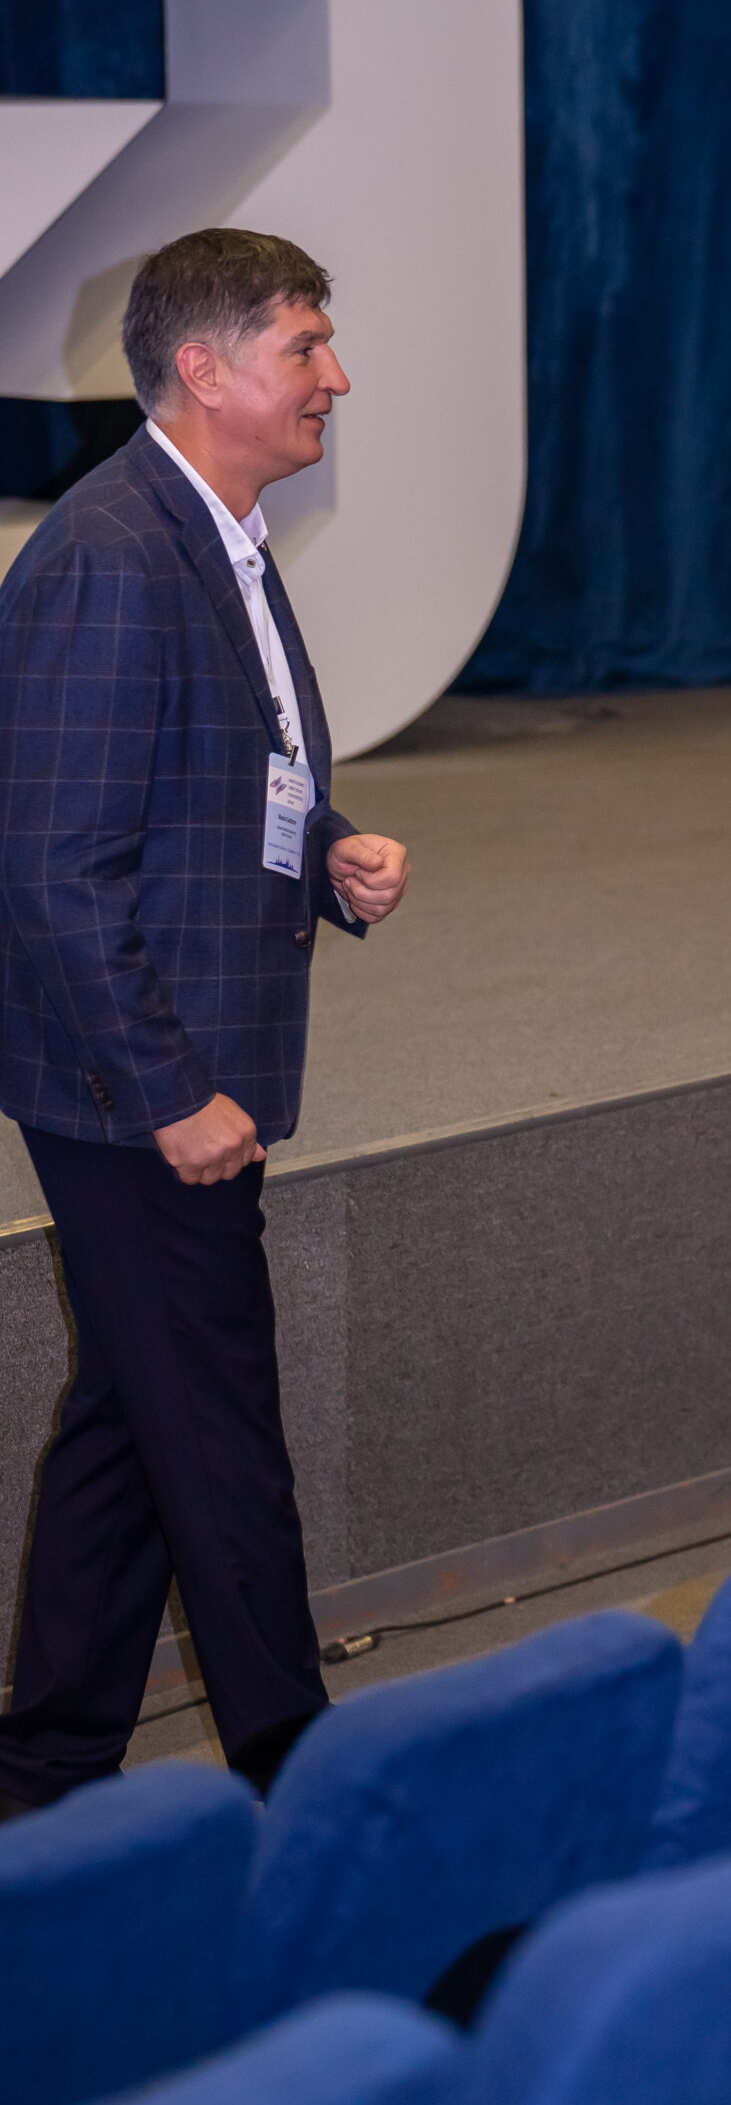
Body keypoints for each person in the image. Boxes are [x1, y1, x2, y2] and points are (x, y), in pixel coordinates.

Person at [0, 228, 409, 1813]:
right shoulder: (112, 555)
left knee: (137, 1413)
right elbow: (51, 865)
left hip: (171, 1059)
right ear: (202, 367)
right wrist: (168, 1090)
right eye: (305, 345)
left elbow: (228, 770)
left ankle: (47, 1765)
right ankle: (298, 1786)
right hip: (131, 1087)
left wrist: (325, 852)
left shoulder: (212, 529)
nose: (335, 378)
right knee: (221, 1433)